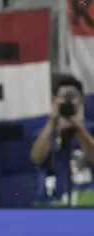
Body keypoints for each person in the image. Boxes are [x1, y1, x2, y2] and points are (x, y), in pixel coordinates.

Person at [30, 74, 94, 206]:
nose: (68, 101)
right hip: (50, 203)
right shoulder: (43, 133)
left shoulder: (90, 130)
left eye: (72, 96)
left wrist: (79, 129)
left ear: (82, 99)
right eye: (63, 97)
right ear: (54, 99)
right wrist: (52, 122)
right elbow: (36, 158)